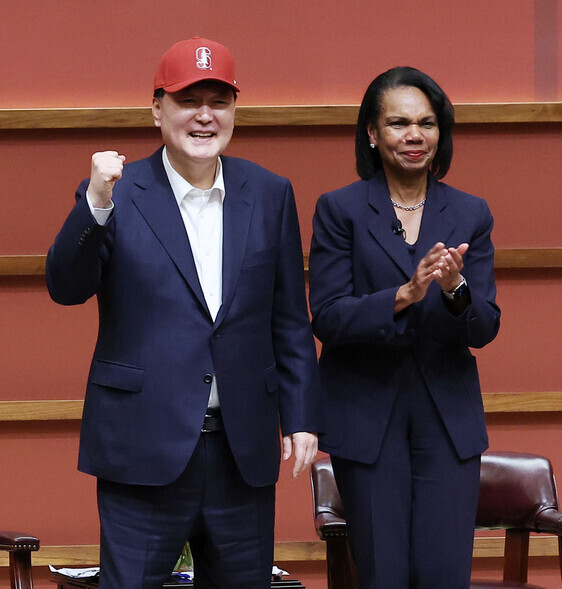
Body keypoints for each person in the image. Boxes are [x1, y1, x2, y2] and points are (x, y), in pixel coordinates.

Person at [45, 37, 320, 589]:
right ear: (156, 108)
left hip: (240, 449)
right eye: (188, 99)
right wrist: (95, 201)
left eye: (218, 100)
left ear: (234, 111)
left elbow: (289, 318)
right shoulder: (116, 193)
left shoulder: (269, 193)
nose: (204, 116)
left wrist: (302, 416)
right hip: (141, 449)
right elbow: (65, 286)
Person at [308, 66, 500, 588]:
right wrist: (403, 296)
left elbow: (485, 326)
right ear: (372, 133)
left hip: (447, 419)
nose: (414, 135)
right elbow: (326, 314)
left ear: (441, 132)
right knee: (383, 574)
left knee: (443, 574)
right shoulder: (340, 210)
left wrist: (455, 290)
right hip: (368, 418)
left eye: (427, 123)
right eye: (398, 123)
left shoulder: (470, 212)